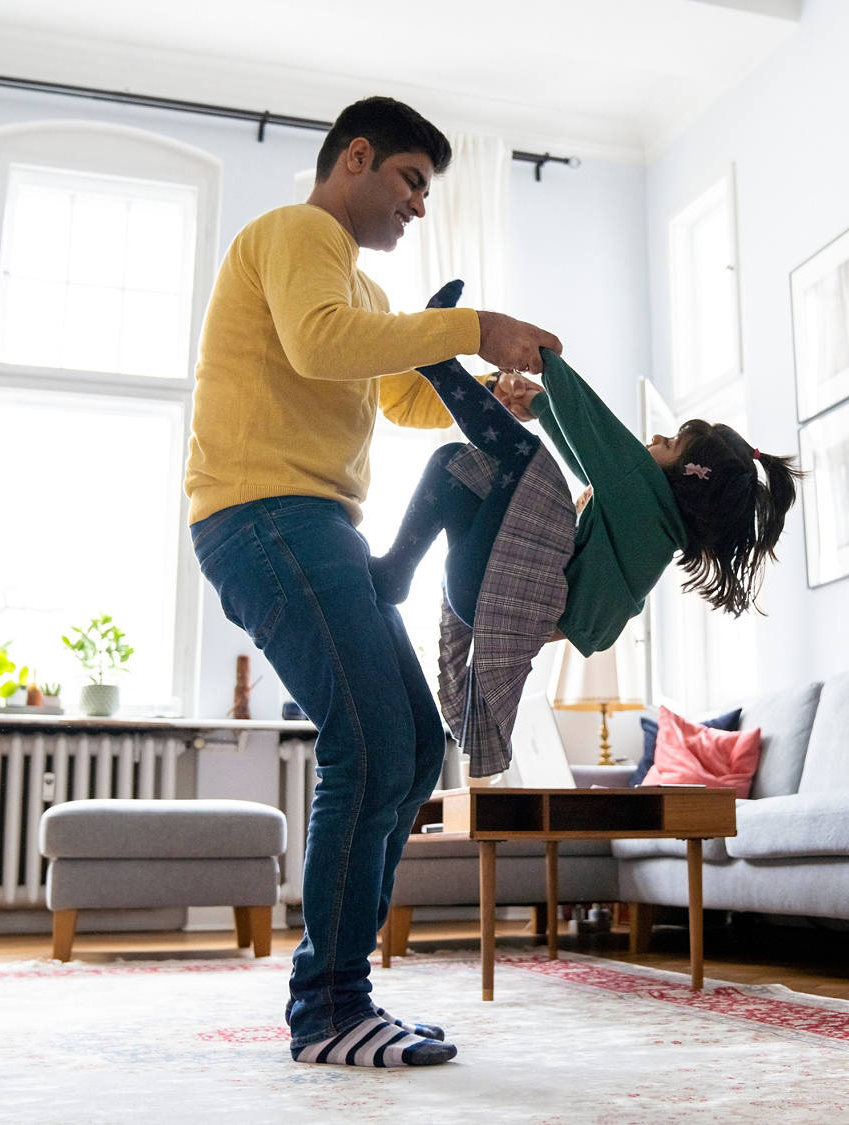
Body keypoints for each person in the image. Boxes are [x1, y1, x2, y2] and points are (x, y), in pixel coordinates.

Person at [184, 97, 561, 1069]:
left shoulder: (350, 286)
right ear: (355, 157)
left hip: (310, 524)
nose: (419, 206)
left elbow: (390, 391)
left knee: (410, 742)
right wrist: (476, 324)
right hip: (268, 514)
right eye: (410, 181)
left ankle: (341, 995)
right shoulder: (298, 234)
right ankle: (328, 1009)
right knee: (371, 740)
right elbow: (320, 345)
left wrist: (484, 391)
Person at [369, 281, 802, 778]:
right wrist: (536, 405)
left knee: (529, 465)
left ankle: (437, 367)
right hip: (487, 594)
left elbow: (599, 436)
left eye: (673, 441)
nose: (658, 436)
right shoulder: (647, 527)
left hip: (496, 595)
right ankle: (395, 571)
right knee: (457, 464)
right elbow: (591, 458)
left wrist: (545, 360)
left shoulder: (643, 502)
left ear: (688, 478)